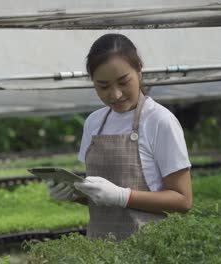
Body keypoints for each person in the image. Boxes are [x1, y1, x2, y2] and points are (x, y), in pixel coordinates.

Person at [47, 33, 193, 240]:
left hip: (150, 247)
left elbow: (183, 201)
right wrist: (75, 193)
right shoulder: (94, 123)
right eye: (103, 86)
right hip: (100, 247)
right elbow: (104, 197)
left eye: (123, 82)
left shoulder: (159, 121)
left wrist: (123, 196)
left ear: (139, 70)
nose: (115, 94)